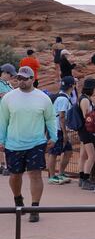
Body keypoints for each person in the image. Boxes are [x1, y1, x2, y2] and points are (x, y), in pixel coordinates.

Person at [0, 66, 57, 222]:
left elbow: (51, 118)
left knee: (35, 174)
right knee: (15, 175)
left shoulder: (43, 98)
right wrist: (1, 140)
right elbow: (3, 120)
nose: (21, 81)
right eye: (19, 78)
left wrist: (54, 136)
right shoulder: (8, 98)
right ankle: (18, 199)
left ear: (33, 79)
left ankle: (34, 208)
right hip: (13, 143)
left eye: (25, 78)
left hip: (36, 143)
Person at [46, 76, 76, 185]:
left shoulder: (58, 96)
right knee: (53, 153)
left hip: (54, 127)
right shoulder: (63, 99)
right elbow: (62, 116)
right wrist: (65, 133)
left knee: (68, 151)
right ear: (72, 86)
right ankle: (52, 176)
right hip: (57, 129)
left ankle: (60, 173)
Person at [77, 78, 95, 190]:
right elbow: (86, 116)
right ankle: (86, 179)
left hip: (83, 130)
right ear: (90, 88)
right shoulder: (85, 100)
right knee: (92, 156)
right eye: (94, 88)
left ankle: (81, 178)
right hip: (86, 131)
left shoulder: (83, 98)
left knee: (83, 155)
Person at [0, 64, 16, 176]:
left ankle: (4, 165)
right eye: (10, 74)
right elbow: (5, 96)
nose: (11, 77)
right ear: (4, 73)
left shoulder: (8, 84)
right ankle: (6, 166)